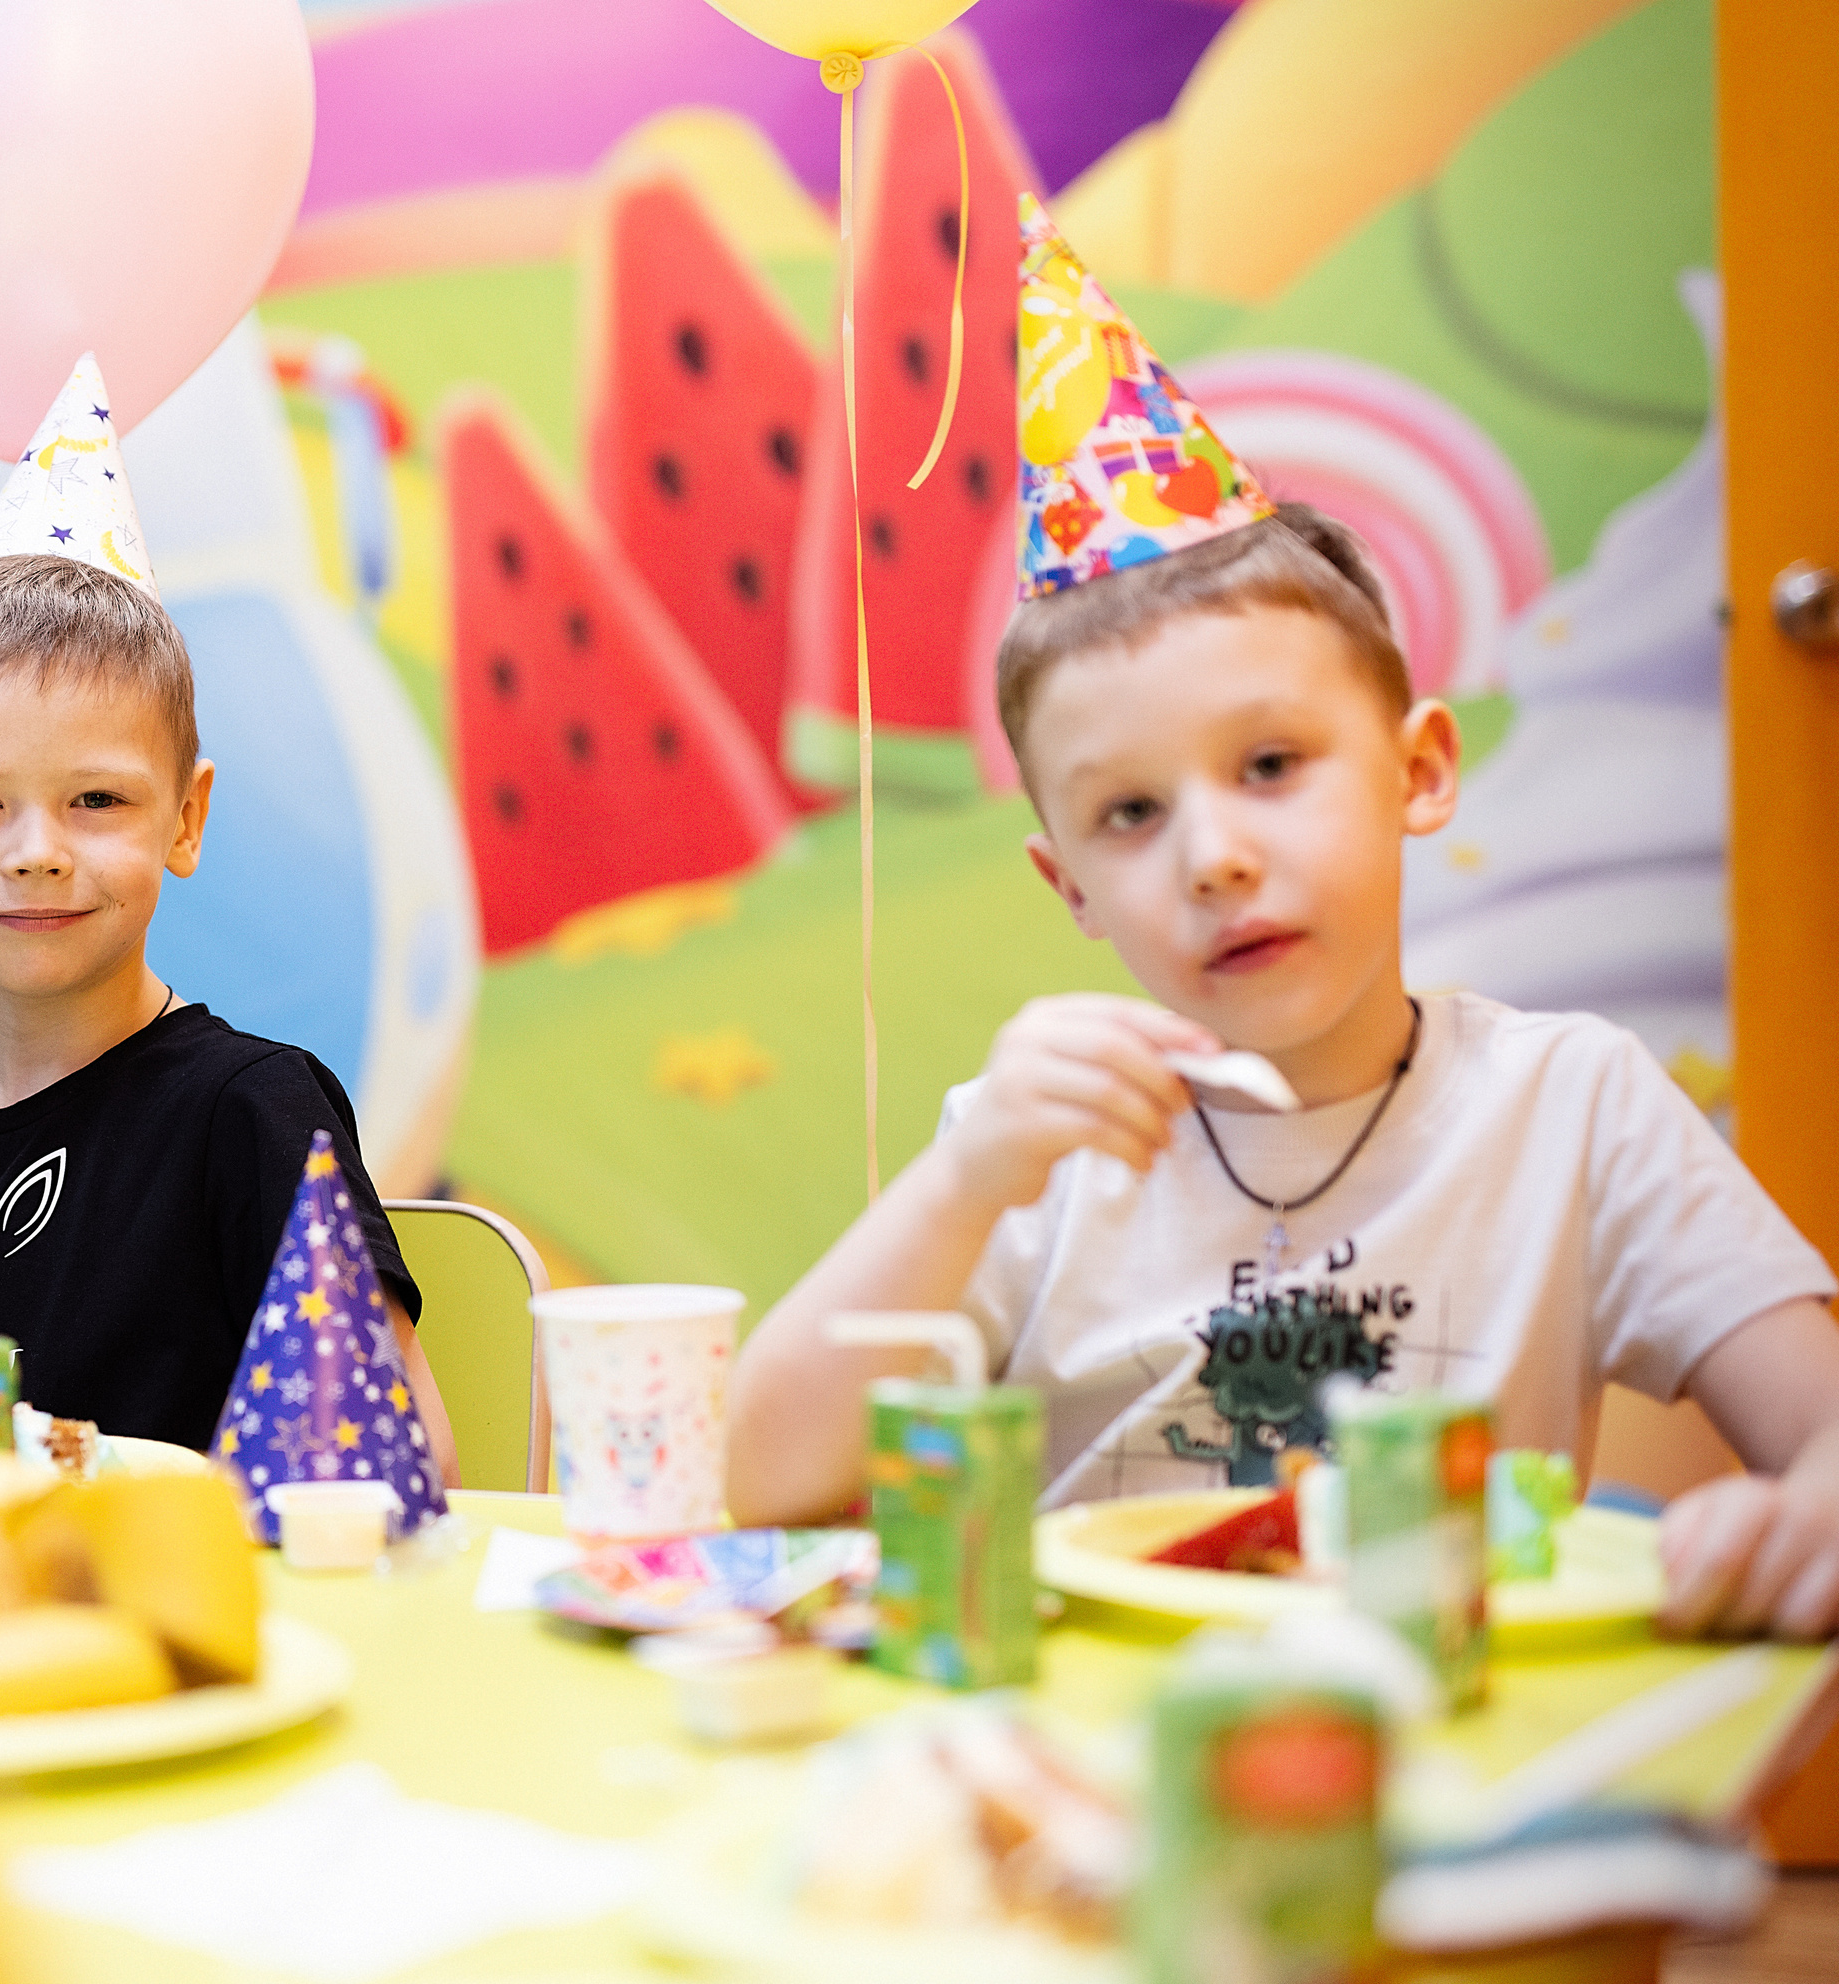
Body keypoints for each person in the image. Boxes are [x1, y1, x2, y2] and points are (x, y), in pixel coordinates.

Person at [724, 200, 1839, 1641]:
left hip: (1448, 1760)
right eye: (1129, 815)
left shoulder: (1574, 1106)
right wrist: (962, 1182)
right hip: (1103, 1777)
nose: (1214, 858)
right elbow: (765, 1480)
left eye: (1270, 766)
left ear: (1420, 771)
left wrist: (1804, 1506)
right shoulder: (1041, 1150)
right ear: (1066, 887)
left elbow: (1819, 1429)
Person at [0, 354, 457, 1472]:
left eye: (97, 800)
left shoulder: (249, 1115)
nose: (37, 851)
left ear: (185, 817)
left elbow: (401, 1466)